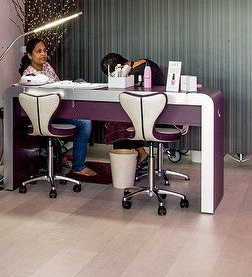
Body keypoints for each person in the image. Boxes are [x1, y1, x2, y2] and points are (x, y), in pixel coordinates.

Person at [18, 38, 96, 177]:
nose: (43, 54)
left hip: (57, 108)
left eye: (44, 50)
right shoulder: (29, 76)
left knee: (80, 81)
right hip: (46, 115)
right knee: (85, 123)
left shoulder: (47, 66)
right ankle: (78, 166)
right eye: (38, 51)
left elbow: (58, 86)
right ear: (30, 55)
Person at [99, 52, 164, 164]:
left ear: (121, 68)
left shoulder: (137, 74)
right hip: (152, 110)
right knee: (118, 119)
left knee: (117, 121)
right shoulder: (145, 63)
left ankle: (125, 164)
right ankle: (138, 153)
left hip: (152, 114)